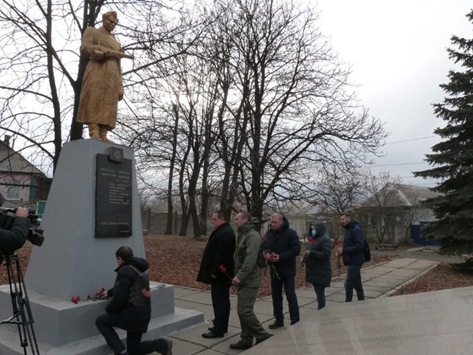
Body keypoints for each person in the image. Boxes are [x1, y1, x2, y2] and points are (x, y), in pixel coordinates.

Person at [95, 246, 173, 355]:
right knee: (133, 349)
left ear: (119, 258)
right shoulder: (139, 268)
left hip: (131, 315)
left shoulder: (125, 270)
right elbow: (126, 286)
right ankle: (161, 344)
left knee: (101, 321)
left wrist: (109, 310)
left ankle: (120, 351)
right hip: (143, 313)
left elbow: (119, 299)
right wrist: (109, 293)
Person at [77, 11, 133, 142]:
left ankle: (103, 132)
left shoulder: (115, 42)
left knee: (109, 102)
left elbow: (119, 64)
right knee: (94, 98)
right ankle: (94, 130)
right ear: (104, 19)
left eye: (115, 23)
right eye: (110, 21)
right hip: (98, 69)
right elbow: (84, 48)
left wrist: (120, 84)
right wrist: (101, 50)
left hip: (113, 73)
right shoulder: (93, 31)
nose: (112, 24)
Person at [230, 212, 272, 350]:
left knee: (244, 311)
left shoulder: (252, 235)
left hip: (250, 279)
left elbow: (250, 258)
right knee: (243, 310)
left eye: (237, 219)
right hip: (245, 279)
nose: (235, 221)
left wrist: (239, 276)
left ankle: (262, 335)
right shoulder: (243, 233)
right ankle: (246, 339)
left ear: (245, 220)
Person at [197, 210, 236, 338]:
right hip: (220, 274)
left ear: (222, 219)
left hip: (220, 275)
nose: (212, 221)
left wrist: (214, 272)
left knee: (220, 302)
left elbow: (222, 255)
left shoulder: (225, 233)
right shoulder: (223, 231)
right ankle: (220, 325)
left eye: (214, 219)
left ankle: (218, 329)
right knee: (221, 301)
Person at [263, 213, 301, 328]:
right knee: (276, 295)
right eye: (271, 222)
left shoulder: (291, 233)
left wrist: (281, 257)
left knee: (290, 294)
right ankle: (278, 319)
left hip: (287, 269)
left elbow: (296, 249)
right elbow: (264, 246)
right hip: (275, 270)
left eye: (275, 222)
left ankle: (295, 320)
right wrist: (266, 254)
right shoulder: (268, 234)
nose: (272, 224)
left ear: (281, 221)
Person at [302, 222, 332, 310]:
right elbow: (309, 249)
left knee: (320, 292)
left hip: (321, 270)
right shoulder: (313, 239)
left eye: (314, 229)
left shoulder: (325, 239)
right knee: (318, 291)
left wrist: (312, 253)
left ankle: (322, 310)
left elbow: (326, 254)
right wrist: (304, 257)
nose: (313, 231)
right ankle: (321, 309)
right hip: (314, 270)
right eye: (311, 229)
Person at [337, 212, 366, 302]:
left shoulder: (355, 229)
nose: (341, 221)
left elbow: (360, 246)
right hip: (353, 259)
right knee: (357, 284)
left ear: (348, 219)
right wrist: (342, 252)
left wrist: (344, 250)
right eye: (340, 219)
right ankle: (362, 302)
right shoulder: (349, 229)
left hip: (355, 260)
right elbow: (351, 245)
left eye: (343, 219)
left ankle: (348, 303)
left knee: (348, 284)